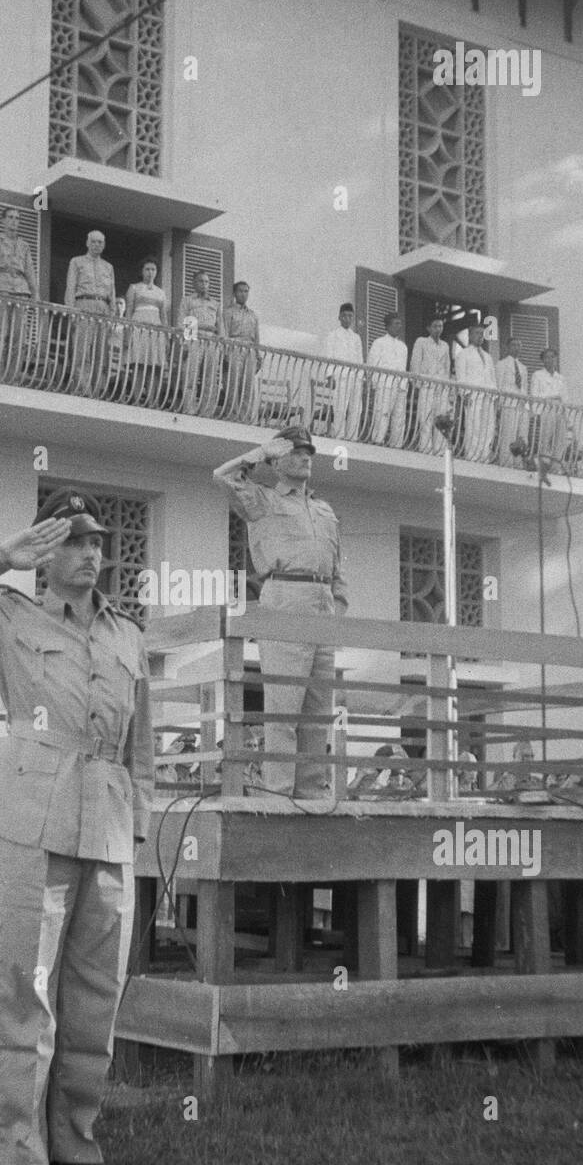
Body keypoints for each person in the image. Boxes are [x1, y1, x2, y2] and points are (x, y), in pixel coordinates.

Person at [0, 489, 154, 1165]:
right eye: (73, 541)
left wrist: (136, 825)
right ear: (46, 552)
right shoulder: (6, 617)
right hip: (29, 813)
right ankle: (20, 1145)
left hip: (106, 820)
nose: (89, 554)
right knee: (27, 986)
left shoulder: (127, 633)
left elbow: (142, 747)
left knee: (95, 991)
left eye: (96, 542)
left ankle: (75, 1133)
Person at [213, 425, 347, 800]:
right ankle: (278, 795)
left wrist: (339, 607)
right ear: (277, 460)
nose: (306, 457)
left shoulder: (324, 509)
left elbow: (338, 566)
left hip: (322, 601)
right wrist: (259, 453)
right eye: (296, 451)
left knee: (318, 713)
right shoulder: (263, 500)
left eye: (309, 452)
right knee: (284, 709)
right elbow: (222, 476)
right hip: (285, 595)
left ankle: (311, 794)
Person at [0, 206, 38, 377]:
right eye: (11, 217)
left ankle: (12, 375)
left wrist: (35, 293)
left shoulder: (24, 246)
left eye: (17, 218)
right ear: (4, 220)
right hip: (1, 289)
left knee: (18, 337)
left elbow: (30, 271)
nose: (14, 221)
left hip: (20, 291)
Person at [64, 230, 116, 395]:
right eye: (93, 241)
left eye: (100, 242)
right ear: (87, 243)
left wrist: (113, 314)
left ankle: (96, 390)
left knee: (100, 353)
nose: (96, 245)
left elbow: (112, 293)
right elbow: (70, 287)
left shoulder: (108, 267)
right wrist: (71, 311)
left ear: (104, 245)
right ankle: (82, 388)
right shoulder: (77, 262)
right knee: (82, 350)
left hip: (103, 307)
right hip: (83, 304)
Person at [177, 270, 224, 416]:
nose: (204, 284)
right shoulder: (187, 300)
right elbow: (182, 322)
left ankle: (206, 411)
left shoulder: (215, 303)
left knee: (210, 379)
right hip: (194, 338)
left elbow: (221, 326)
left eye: (206, 282)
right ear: (194, 283)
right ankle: (189, 408)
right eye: (200, 281)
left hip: (211, 340)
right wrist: (184, 343)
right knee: (190, 375)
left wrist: (221, 346)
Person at [124, 257, 168, 404]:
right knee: (139, 364)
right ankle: (136, 398)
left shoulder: (161, 292)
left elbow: (163, 315)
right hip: (139, 327)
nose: (150, 272)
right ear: (142, 271)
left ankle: (152, 400)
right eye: (147, 269)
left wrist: (166, 336)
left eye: (153, 269)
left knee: (154, 366)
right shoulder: (134, 288)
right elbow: (129, 311)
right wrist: (128, 332)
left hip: (156, 330)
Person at [454, 323, 498, 462]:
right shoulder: (463, 354)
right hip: (473, 394)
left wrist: (495, 396)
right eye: (477, 333)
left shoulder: (487, 356)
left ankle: (484, 455)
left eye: (482, 334)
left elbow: (492, 377)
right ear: (470, 335)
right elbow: (461, 376)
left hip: (488, 395)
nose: (480, 336)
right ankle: (472, 455)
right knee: (473, 425)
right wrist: (464, 394)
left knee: (488, 426)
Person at [321, 302, 364, 440]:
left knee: (356, 409)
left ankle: (353, 437)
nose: (347, 319)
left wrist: (361, 378)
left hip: (355, 377)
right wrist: (329, 376)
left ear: (353, 318)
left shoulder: (356, 338)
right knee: (340, 408)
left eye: (350, 316)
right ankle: (339, 436)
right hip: (340, 376)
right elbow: (328, 356)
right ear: (339, 317)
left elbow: (359, 359)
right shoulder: (332, 335)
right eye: (344, 316)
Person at [409, 315, 451, 454]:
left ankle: (439, 450)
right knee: (425, 417)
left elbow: (447, 367)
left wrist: (447, 386)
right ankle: (425, 448)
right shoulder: (421, 342)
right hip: (427, 385)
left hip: (441, 386)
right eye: (435, 326)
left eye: (440, 326)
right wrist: (418, 383)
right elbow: (415, 362)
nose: (438, 329)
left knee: (440, 419)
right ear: (428, 328)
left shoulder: (445, 345)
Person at [367, 313, 408, 447]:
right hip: (384, 384)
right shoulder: (379, 343)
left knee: (399, 417)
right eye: (396, 324)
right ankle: (378, 441)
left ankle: (396, 444)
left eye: (400, 324)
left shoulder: (403, 347)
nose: (399, 326)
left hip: (400, 386)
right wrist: (374, 385)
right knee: (382, 413)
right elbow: (371, 365)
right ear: (388, 326)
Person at [222, 281, 260, 421]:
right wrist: (225, 353)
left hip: (249, 349)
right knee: (233, 382)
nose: (243, 294)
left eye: (246, 291)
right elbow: (224, 333)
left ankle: (245, 417)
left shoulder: (253, 315)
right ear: (234, 293)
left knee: (248, 383)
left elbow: (256, 336)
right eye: (240, 291)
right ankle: (233, 414)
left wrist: (258, 355)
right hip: (234, 346)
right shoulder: (228, 312)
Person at [529, 348, 569, 463]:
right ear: (543, 360)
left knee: (560, 439)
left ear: (556, 359)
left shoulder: (560, 378)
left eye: (552, 357)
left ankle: (556, 466)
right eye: (547, 357)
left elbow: (565, 398)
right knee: (545, 438)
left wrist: (566, 416)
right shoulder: (538, 375)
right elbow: (535, 395)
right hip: (546, 409)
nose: (550, 360)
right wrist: (553, 396)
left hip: (559, 410)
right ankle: (544, 464)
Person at [495, 337, 530, 466]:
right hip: (508, 404)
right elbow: (498, 386)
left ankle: (518, 462)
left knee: (522, 435)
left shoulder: (523, 368)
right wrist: (498, 406)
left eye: (519, 345)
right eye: (514, 345)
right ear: (508, 347)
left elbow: (525, 388)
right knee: (508, 434)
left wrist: (526, 405)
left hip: (522, 405)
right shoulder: (501, 364)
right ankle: (506, 462)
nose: (516, 348)